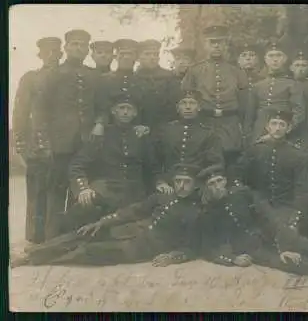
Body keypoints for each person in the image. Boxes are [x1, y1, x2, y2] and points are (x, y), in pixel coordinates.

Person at [11, 163, 202, 267]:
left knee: (87, 252)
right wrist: (103, 222)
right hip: (125, 231)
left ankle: (33, 261)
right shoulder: (161, 197)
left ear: (195, 185)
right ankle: (30, 254)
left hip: (138, 248)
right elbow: (133, 211)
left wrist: (174, 256)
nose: (181, 186)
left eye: (187, 182)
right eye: (178, 181)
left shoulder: (197, 211)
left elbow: (193, 245)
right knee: (84, 233)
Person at [49, 94, 162, 238]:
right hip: (107, 193)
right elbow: (77, 165)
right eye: (121, 108)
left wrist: (161, 182)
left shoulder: (141, 136)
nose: (125, 112)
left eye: (129, 109)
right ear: (113, 111)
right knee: (79, 223)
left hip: (134, 196)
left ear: (135, 113)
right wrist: (83, 189)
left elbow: (153, 167)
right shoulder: (102, 135)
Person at [36, 29, 99, 238]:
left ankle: (73, 237)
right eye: (74, 44)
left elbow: (102, 106)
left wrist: (99, 123)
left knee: (80, 190)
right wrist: (44, 142)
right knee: (56, 189)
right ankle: (51, 238)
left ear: (88, 50)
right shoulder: (54, 74)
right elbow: (40, 109)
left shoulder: (93, 75)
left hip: (85, 143)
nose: (78, 48)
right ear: (66, 48)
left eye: (83, 45)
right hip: (59, 142)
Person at [12, 37, 63, 243]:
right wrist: (21, 143)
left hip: (63, 144)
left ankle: (55, 237)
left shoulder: (66, 77)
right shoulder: (31, 78)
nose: (52, 56)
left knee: (57, 193)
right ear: (40, 55)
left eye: (56, 52)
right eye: (47, 52)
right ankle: (35, 239)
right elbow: (20, 112)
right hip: (37, 143)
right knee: (37, 193)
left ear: (61, 55)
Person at [231, 108, 308, 238]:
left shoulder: (297, 155)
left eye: (282, 125)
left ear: (288, 129)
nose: (277, 128)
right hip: (258, 207)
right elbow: (239, 176)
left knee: (285, 235)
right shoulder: (255, 150)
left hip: (285, 207)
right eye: (274, 124)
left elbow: (302, 190)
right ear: (267, 127)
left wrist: (296, 217)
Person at [182, 25, 249, 167]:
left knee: (230, 156)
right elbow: (186, 99)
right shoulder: (195, 70)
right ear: (205, 44)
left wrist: (243, 127)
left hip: (230, 122)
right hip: (205, 120)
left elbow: (244, 102)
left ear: (226, 45)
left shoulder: (236, 71)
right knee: (203, 156)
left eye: (220, 42)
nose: (217, 46)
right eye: (212, 42)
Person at [153, 90, 224, 194]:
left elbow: (215, 163)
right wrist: (160, 182)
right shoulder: (165, 131)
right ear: (177, 108)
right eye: (183, 103)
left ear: (199, 107)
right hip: (169, 186)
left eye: (192, 103)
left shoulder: (208, 133)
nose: (188, 107)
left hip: (198, 186)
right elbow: (155, 161)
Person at [244, 41, 305, 145]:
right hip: (258, 133)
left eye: (279, 55)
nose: (275, 59)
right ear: (265, 59)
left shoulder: (292, 84)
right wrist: (249, 135)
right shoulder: (257, 86)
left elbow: (299, 112)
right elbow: (249, 116)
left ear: (285, 59)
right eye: (271, 56)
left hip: (282, 133)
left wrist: (284, 131)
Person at [93, 39, 144, 138]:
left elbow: (145, 108)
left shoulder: (142, 81)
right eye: (122, 54)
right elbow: (101, 106)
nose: (126, 57)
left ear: (136, 57)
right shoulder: (105, 80)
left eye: (130, 54)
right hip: (109, 132)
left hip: (136, 132)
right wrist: (100, 123)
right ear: (116, 57)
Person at [135, 39, 182, 127]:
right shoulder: (134, 78)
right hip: (139, 126)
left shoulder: (169, 77)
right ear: (138, 57)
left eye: (155, 54)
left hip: (164, 126)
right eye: (147, 54)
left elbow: (175, 103)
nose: (152, 57)